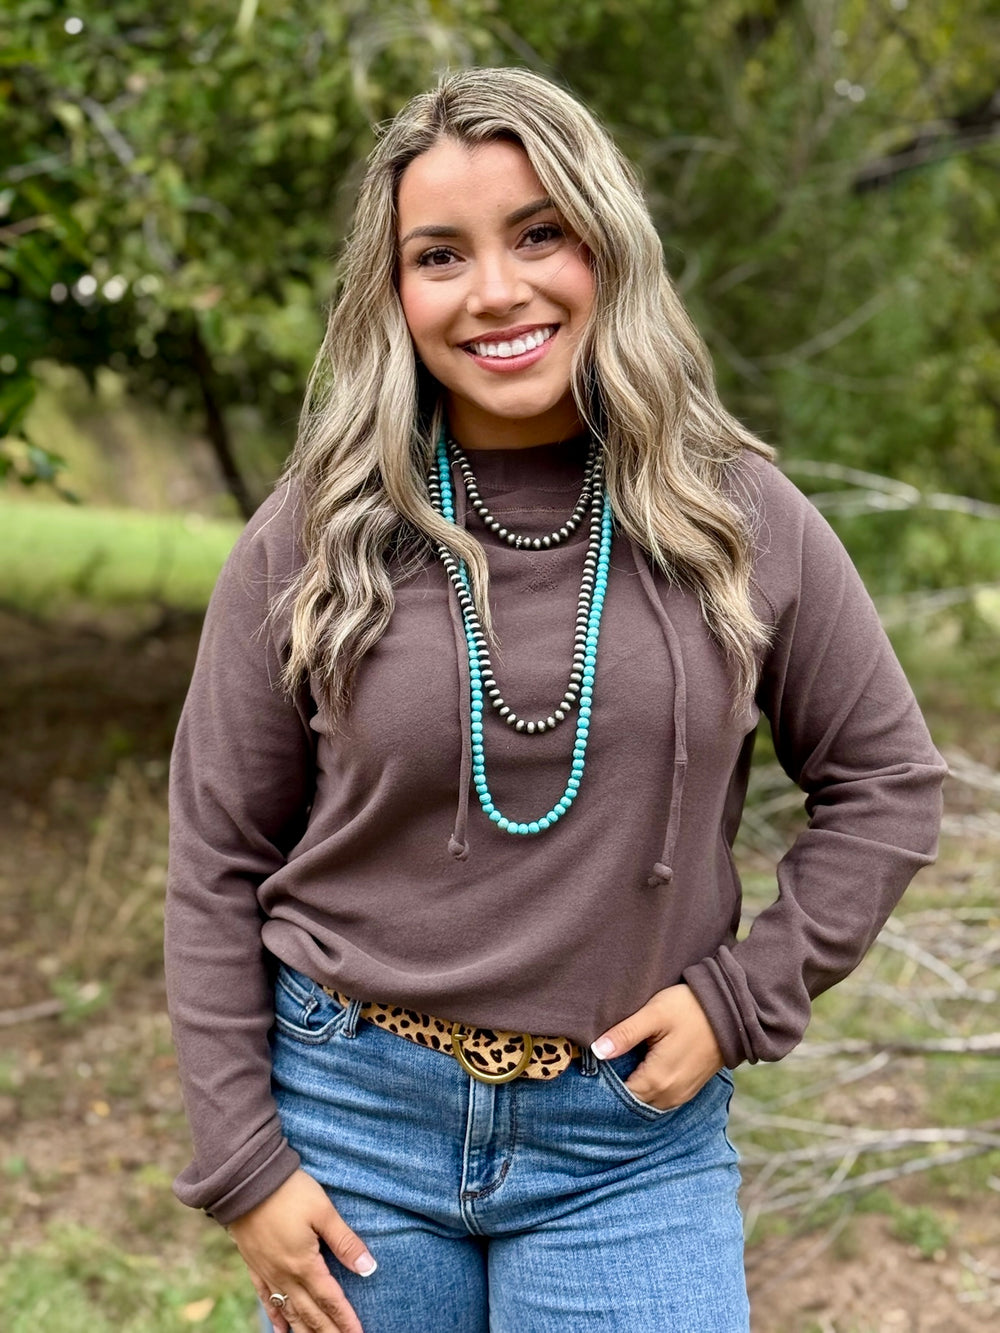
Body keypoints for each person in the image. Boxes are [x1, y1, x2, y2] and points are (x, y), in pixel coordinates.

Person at [164, 67, 947, 1333]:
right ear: (392, 292)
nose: (495, 291)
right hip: (353, 1122)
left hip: (624, 1141)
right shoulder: (313, 535)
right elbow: (215, 854)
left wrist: (743, 997)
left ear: (607, 246)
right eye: (439, 255)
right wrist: (244, 1163)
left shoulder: (733, 516)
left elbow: (888, 782)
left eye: (539, 234)